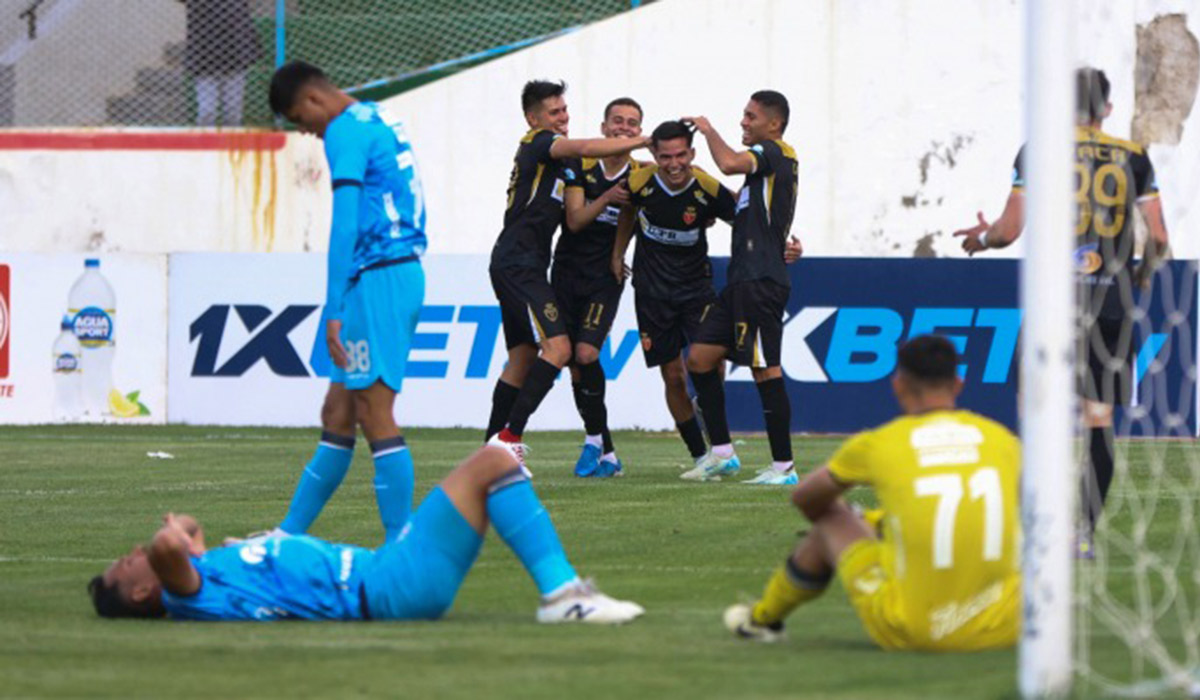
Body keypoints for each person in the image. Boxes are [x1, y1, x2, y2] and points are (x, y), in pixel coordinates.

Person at [953, 66, 1170, 556]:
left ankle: (1034, 526)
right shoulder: (1134, 156)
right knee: (1098, 418)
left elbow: (1008, 231)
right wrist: (1142, 271)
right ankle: (1083, 534)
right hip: (1111, 302)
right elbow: (1157, 237)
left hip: (1055, 305)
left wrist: (981, 238)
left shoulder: (1040, 150)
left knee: (1035, 414)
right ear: (1106, 109)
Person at [87, 442, 644, 624]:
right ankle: (563, 597)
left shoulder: (201, 579)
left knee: (495, 464)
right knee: (494, 462)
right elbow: (169, 541)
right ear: (142, 592)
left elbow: (185, 531)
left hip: (385, 574)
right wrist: (177, 543)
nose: (133, 552)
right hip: (384, 587)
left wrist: (191, 544)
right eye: (126, 564)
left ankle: (564, 594)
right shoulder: (185, 593)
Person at [724, 335, 1021, 651]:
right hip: (1007, 629)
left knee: (832, 518)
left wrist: (870, 521)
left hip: (915, 630)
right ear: (958, 385)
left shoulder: (879, 444)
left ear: (898, 385)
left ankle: (762, 619)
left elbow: (805, 499)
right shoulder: (1002, 440)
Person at [265, 61, 426, 544]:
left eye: (301, 119)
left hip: (380, 276)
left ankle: (400, 545)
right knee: (337, 412)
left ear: (314, 100)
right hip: (388, 272)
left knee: (375, 412)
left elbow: (345, 223)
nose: (306, 132)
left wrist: (332, 308)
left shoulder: (342, 132)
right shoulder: (376, 116)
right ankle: (286, 536)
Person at [485, 80, 649, 463]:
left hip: (524, 263)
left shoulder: (567, 162)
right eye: (554, 112)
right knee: (559, 349)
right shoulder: (540, 142)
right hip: (520, 265)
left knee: (522, 359)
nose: (563, 117)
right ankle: (509, 439)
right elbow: (585, 150)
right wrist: (644, 141)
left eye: (564, 110)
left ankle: (489, 453)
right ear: (533, 119)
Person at [681, 91, 802, 485]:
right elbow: (760, 218)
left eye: (751, 116)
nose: (743, 122)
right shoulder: (760, 176)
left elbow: (729, 162)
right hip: (741, 282)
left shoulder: (775, 151)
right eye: (743, 115)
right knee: (700, 358)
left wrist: (707, 130)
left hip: (761, 282)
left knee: (764, 369)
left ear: (774, 124)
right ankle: (721, 454)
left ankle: (784, 468)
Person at [611, 120, 737, 469]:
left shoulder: (707, 188)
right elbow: (627, 211)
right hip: (652, 293)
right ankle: (699, 455)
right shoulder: (638, 183)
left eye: (680, 155)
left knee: (712, 361)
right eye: (665, 156)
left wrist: (782, 245)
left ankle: (708, 412)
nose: (674, 164)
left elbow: (743, 219)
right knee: (673, 376)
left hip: (696, 289)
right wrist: (617, 254)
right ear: (654, 155)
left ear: (692, 154)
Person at [554, 97, 644, 478]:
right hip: (566, 272)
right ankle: (604, 450)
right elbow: (574, 222)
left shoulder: (643, 174)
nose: (624, 128)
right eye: (617, 121)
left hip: (606, 277)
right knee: (574, 364)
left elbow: (689, 191)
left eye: (632, 123)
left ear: (640, 132)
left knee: (587, 353)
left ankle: (594, 443)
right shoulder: (581, 164)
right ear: (604, 128)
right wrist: (607, 197)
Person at [178, 0, 261, 127]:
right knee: (207, 111)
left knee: (233, 112)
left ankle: (230, 139)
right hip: (204, 56)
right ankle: (205, 139)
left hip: (235, 53)